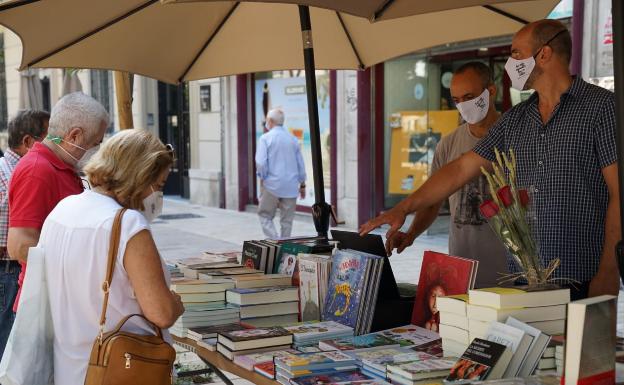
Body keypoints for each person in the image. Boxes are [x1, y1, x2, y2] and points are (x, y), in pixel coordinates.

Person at [361, 19, 618, 300]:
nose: (511, 62)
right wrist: (403, 208)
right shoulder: (516, 119)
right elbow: (460, 169)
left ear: (544, 54)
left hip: (582, 277)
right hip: (524, 279)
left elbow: (619, 194)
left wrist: (608, 270)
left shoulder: (601, 108)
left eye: (516, 53)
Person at [39, 129, 184, 385]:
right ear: (140, 177)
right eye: (159, 185)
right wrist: (176, 303)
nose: (158, 195)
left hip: (69, 368)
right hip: (121, 369)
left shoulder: (62, 210)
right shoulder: (128, 224)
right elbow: (161, 313)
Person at [387, 62, 508, 288]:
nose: (463, 105)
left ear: (491, 91)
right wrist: (411, 233)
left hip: (509, 274)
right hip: (462, 269)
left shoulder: (517, 137)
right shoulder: (448, 144)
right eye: (457, 100)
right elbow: (433, 203)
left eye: (469, 97)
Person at [7, 92, 108, 312]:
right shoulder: (37, 170)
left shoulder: (59, 165)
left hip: (59, 299)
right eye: (95, 142)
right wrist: (80, 268)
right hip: (46, 303)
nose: (97, 149)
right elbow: (20, 246)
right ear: (74, 136)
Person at [0, 109, 49, 359]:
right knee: (8, 344)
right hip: (7, 269)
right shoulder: (10, 172)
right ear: (29, 142)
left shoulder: (15, 169)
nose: (53, 145)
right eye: (50, 137)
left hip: (12, 268)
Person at [255, 108, 306, 239]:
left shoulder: (265, 139)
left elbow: (260, 163)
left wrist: (263, 177)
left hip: (271, 185)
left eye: (267, 120)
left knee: (265, 215)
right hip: (290, 186)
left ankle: (275, 241)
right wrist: (302, 185)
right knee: (287, 222)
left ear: (270, 121)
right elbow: (301, 164)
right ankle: (285, 248)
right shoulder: (293, 139)